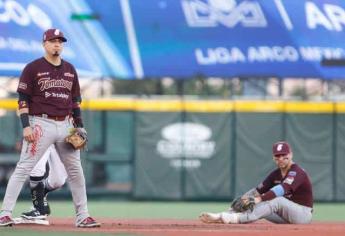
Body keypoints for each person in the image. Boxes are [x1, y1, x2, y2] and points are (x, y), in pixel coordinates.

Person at [0, 28, 100, 228]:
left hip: (66, 124)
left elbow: (75, 101)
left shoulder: (70, 69)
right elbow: (22, 99)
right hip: (40, 123)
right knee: (23, 168)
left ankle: (83, 216)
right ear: (44, 44)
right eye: (53, 41)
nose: (57, 44)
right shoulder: (33, 68)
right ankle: (4, 214)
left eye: (60, 41)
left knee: (75, 171)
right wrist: (26, 126)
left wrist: (79, 125)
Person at [199, 141, 313, 224]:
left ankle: (233, 219)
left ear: (291, 154)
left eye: (284, 155)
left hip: (302, 214)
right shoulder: (275, 174)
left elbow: (283, 189)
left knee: (274, 200)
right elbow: (257, 191)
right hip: (284, 215)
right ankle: (227, 215)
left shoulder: (297, 172)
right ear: (273, 158)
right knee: (253, 201)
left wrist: (259, 199)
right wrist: (245, 198)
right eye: (278, 156)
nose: (281, 159)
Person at [21, 145, 67, 221]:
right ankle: (39, 209)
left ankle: (41, 199)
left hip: (59, 139)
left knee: (58, 181)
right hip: (41, 135)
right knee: (36, 169)